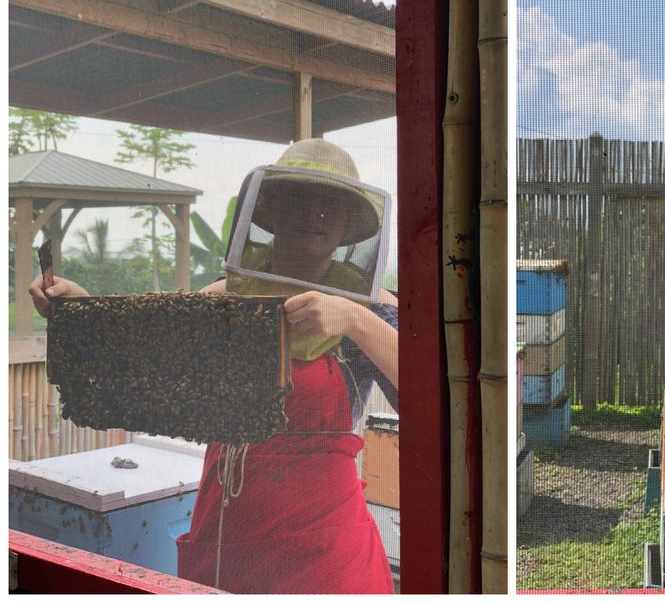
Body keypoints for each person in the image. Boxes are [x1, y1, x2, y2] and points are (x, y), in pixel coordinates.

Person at [29, 139, 398, 594]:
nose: (312, 214)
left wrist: (356, 319)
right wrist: (79, 311)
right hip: (226, 527)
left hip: (324, 543)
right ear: (272, 210)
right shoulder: (225, 293)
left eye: (330, 205)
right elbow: (145, 358)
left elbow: (431, 400)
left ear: (347, 226)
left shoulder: (374, 307)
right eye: (297, 199)